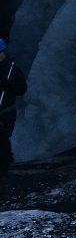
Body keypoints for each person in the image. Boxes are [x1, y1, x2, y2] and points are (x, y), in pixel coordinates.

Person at [0, 38, 27, 179]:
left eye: (0, 53)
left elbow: (21, 89)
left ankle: (6, 164)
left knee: (2, 135)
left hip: (7, 111)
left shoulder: (13, 70)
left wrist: (7, 84)